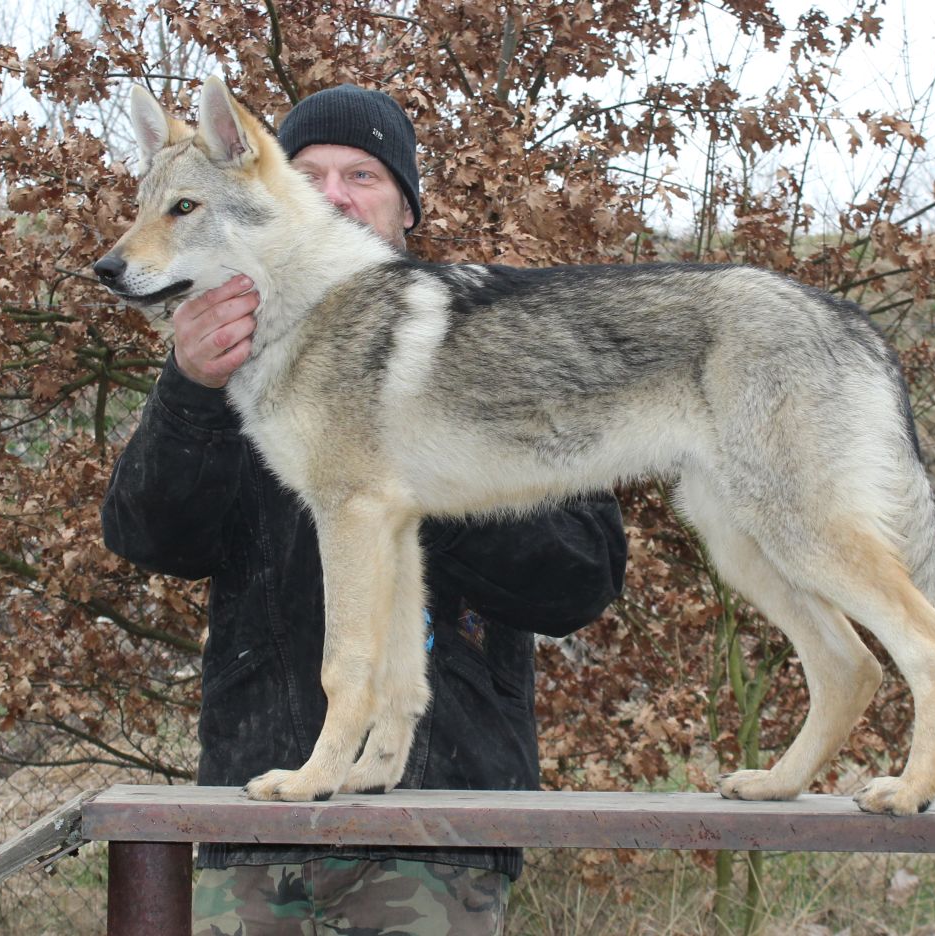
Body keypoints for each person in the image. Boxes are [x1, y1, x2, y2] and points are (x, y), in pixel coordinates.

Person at [100, 85, 627, 935]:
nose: (334, 192)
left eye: (364, 175)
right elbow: (146, 538)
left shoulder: (489, 335)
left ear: (407, 207)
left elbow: (582, 579)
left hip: (443, 829)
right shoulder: (225, 359)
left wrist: (425, 449)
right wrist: (191, 392)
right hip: (256, 820)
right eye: (310, 173)